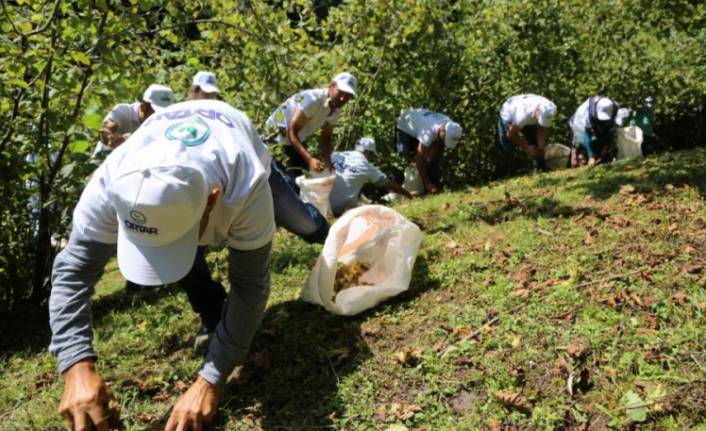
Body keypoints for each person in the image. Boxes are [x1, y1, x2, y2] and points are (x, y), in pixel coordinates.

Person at [49, 99, 275, 431]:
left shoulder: (246, 182)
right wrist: (76, 366)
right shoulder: (108, 183)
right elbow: (72, 274)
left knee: (302, 222)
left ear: (211, 201)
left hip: (234, 131)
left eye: (173, 240)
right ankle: (214, 315)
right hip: (181, 158)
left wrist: (210, 380)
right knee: (189, 265)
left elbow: (251, 287)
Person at [264, 72, 357, 181]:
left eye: (347, 96)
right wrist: (310, 159)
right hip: (276, 138)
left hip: (296, 139)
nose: (342, 98)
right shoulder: (313, 99)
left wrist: (329, 164)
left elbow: (325, 138)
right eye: (340, 93)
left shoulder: (337, 109)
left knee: (302, 181)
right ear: (331, 87)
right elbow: (291, 131)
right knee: (287, 183)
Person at [330, 137, 416, 215]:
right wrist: (407, 193)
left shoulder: (336, 155)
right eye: (372, 155)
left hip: (324, 203)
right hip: (341, 209)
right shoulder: (365, 166)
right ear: (368, 152)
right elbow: (387, 183)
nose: (371, 158)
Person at [92, 84, 174, 158]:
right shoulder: (123, 111)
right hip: (102, 164)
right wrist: (112, 139)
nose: (160, 116)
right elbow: (105, 131)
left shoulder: (167, 122)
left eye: (165, 113)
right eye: (155, 112)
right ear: (143, 107)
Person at [395, 108, 463, 194]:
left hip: (419, 124)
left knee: (431, 159)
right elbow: (419, 157)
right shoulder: (428, 130)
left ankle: (430, 187)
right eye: (445, 139)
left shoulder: (450, 125)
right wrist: (428, 183)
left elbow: (437, 145)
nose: (445, 142)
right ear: (442, 131)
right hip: (405, 125)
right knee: (407, 159)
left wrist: (429, 159)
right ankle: (405, 191)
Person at [495, 94, 557, 178]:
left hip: (527, 115)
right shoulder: (522, 115)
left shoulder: (550, 108)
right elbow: (511, 134)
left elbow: (542, 130)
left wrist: (541, 149)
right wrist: (527, 148)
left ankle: (540, 170)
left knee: (535, 141)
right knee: (504, 147)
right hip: (508, 114)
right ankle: (500, 176)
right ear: (537, 111)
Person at [568, 96, 630, 167]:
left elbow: (612, 129)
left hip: (602, 132)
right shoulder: (585, 114)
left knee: (605, 153)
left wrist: (606, 146)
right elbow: (586, 136)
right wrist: (591, 156)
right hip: (579, 129)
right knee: (581, 157)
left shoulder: (614, 110)